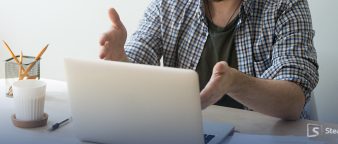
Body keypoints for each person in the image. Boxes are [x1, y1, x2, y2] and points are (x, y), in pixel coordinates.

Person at [99, 0, 319, 120]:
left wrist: (236, 83)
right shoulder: (168, 5)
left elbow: (293, 102)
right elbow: (138, 66)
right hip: (190, 130)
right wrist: (121, 62)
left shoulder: (286, 4)